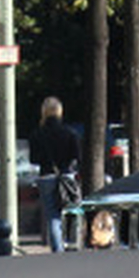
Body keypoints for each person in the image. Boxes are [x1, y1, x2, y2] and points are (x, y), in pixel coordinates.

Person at [30, 96, 80, 253]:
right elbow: (76, 156)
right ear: (60, 112)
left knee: (52, 215)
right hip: (66, 176)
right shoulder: (70, 133)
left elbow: (34, 159)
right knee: (71, 210)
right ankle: (72, 242)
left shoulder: (37, 133)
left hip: (47, 176)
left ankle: (57, 248)